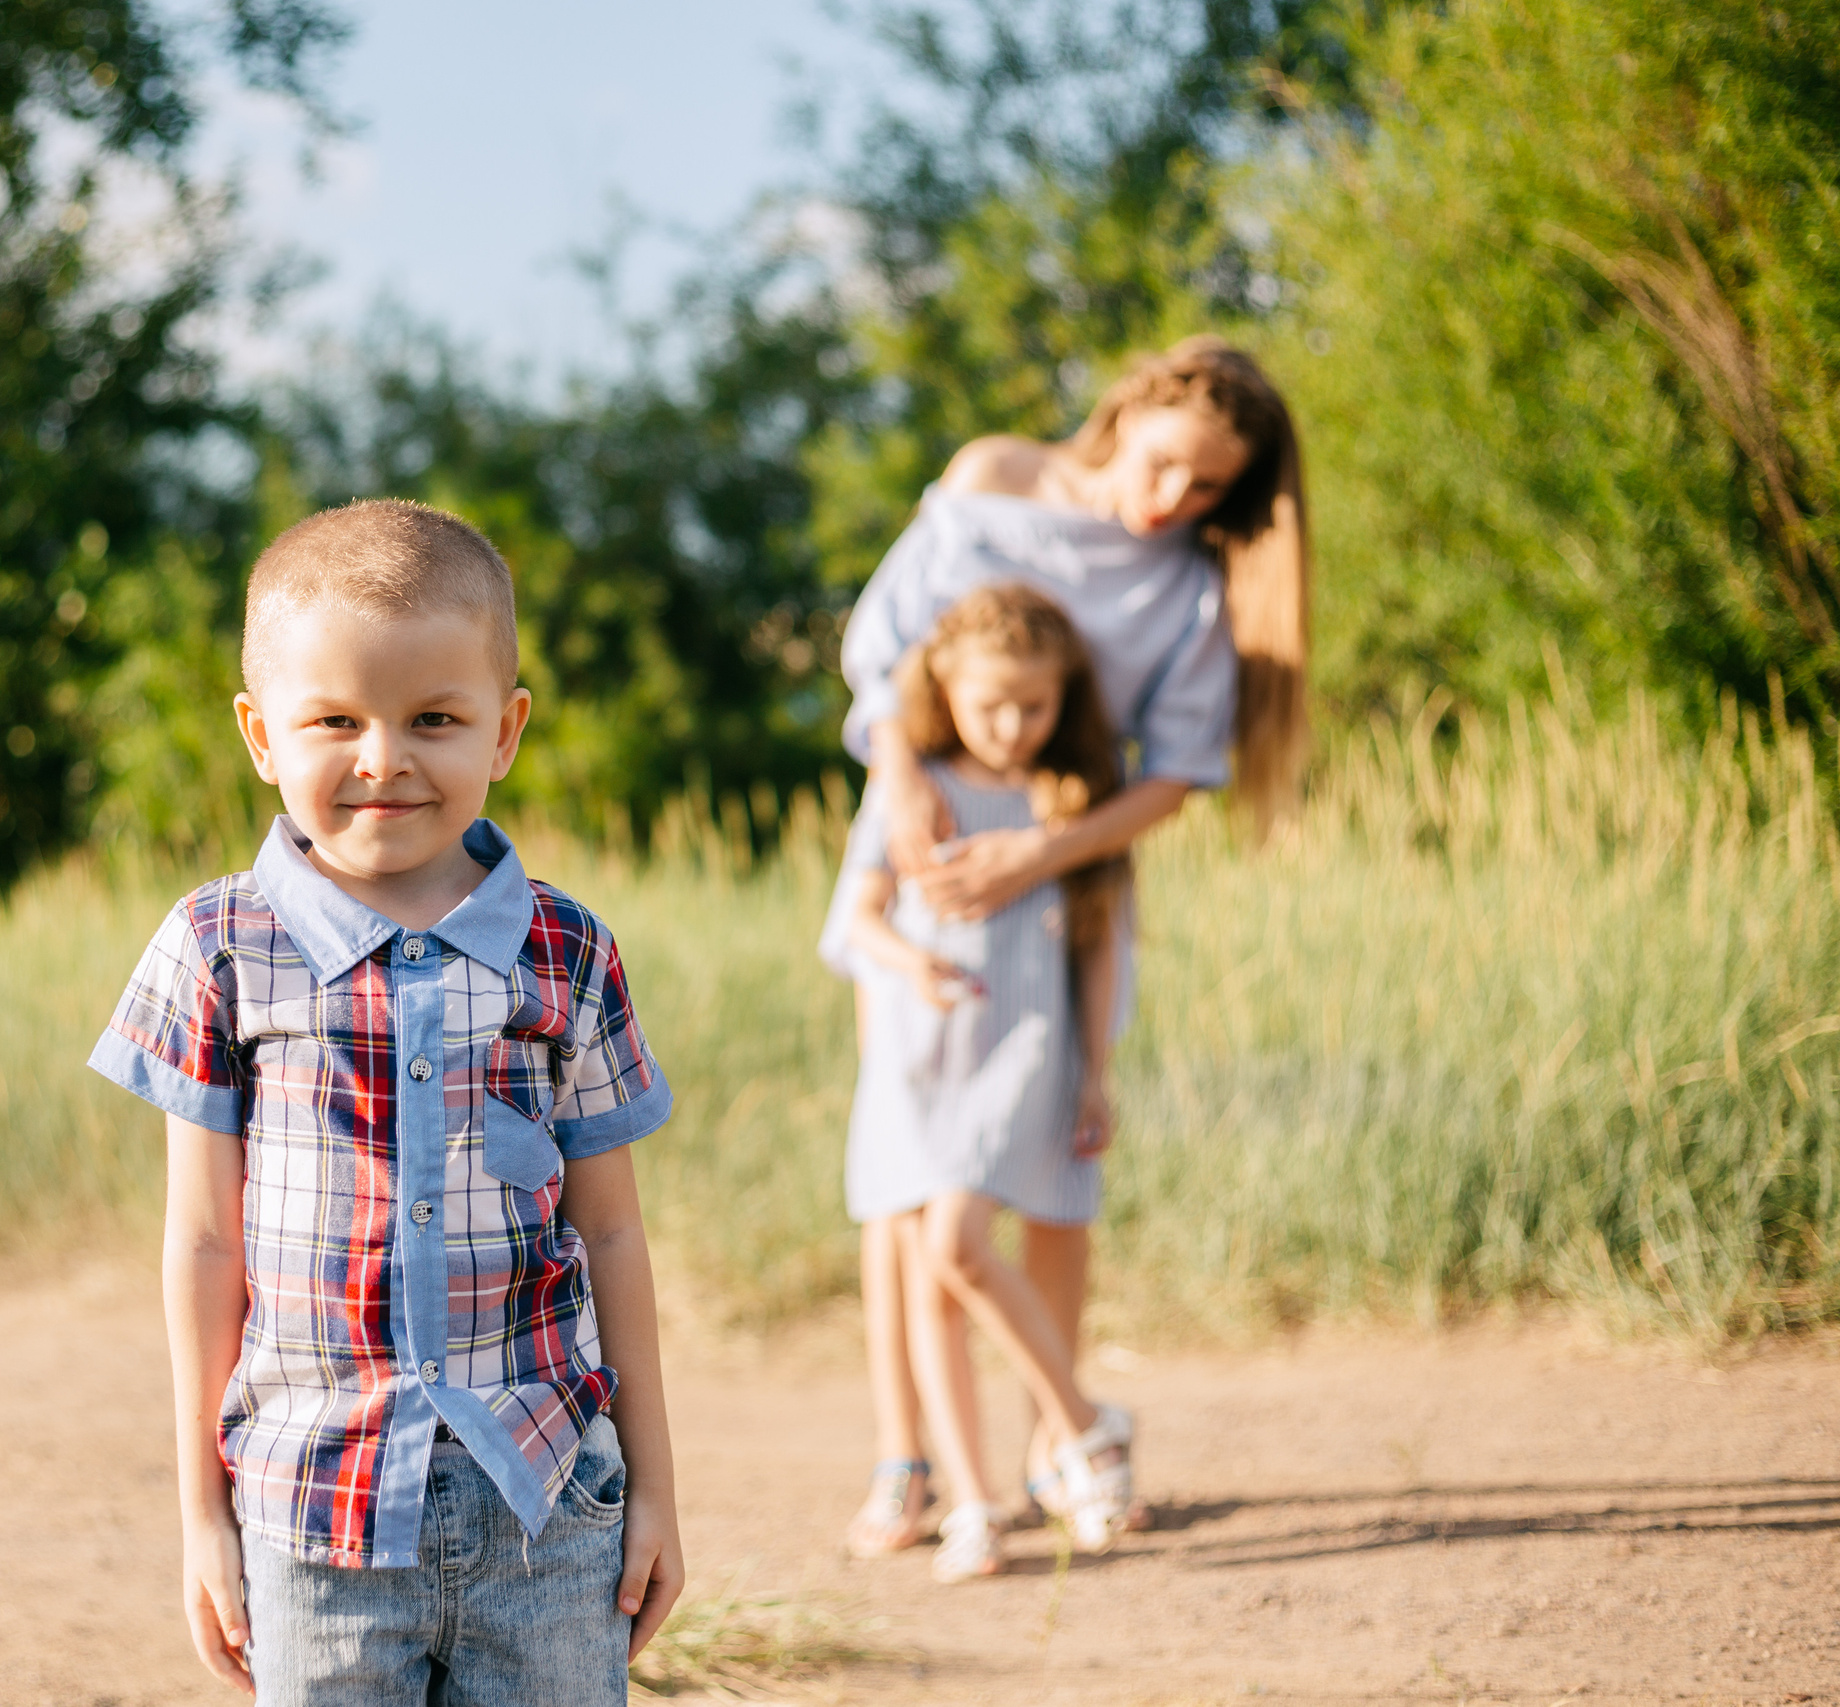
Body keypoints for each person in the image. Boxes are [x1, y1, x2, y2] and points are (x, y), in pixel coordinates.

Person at [88, 499, 684, 1702]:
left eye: (433, 720)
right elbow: (203, 1245)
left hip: (547, 1505)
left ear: (504, 731)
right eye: (334, 721)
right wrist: (201, 1517)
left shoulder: (566, 950)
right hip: (312, 1511)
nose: (382, 758)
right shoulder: (218, 945)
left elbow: (613, 1232)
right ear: (261, 734)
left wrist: (657, 1492)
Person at [832, 336, 1310, 1560]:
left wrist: (1041, 855)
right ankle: (908, 1460)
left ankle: (1058, 1437)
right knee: (907, 1173)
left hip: (1063, 879)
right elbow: (885, 650)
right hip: (925, 848)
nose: (1170, 499)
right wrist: (901, 781)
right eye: (1162, 464)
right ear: (1129, 410)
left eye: (1205, 487)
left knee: (1049, 1166)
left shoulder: (1188, 585)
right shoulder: (992, 474)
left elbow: (1180, 771)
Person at [823, 584, 1137, 1581]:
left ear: (1063, 698)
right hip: (923, 1060)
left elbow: (1102, 948)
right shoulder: (911, 791)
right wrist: (910, 962)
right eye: (990, 704)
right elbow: (857, 921)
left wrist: (1096, 1073)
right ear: (946, 692)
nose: (1011, 725)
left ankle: (1078, 1423)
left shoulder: (1071, 805)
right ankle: (975, 1502)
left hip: (1028, 1055)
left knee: (957, 1244)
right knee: (930, 1276)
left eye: (1034, 706)